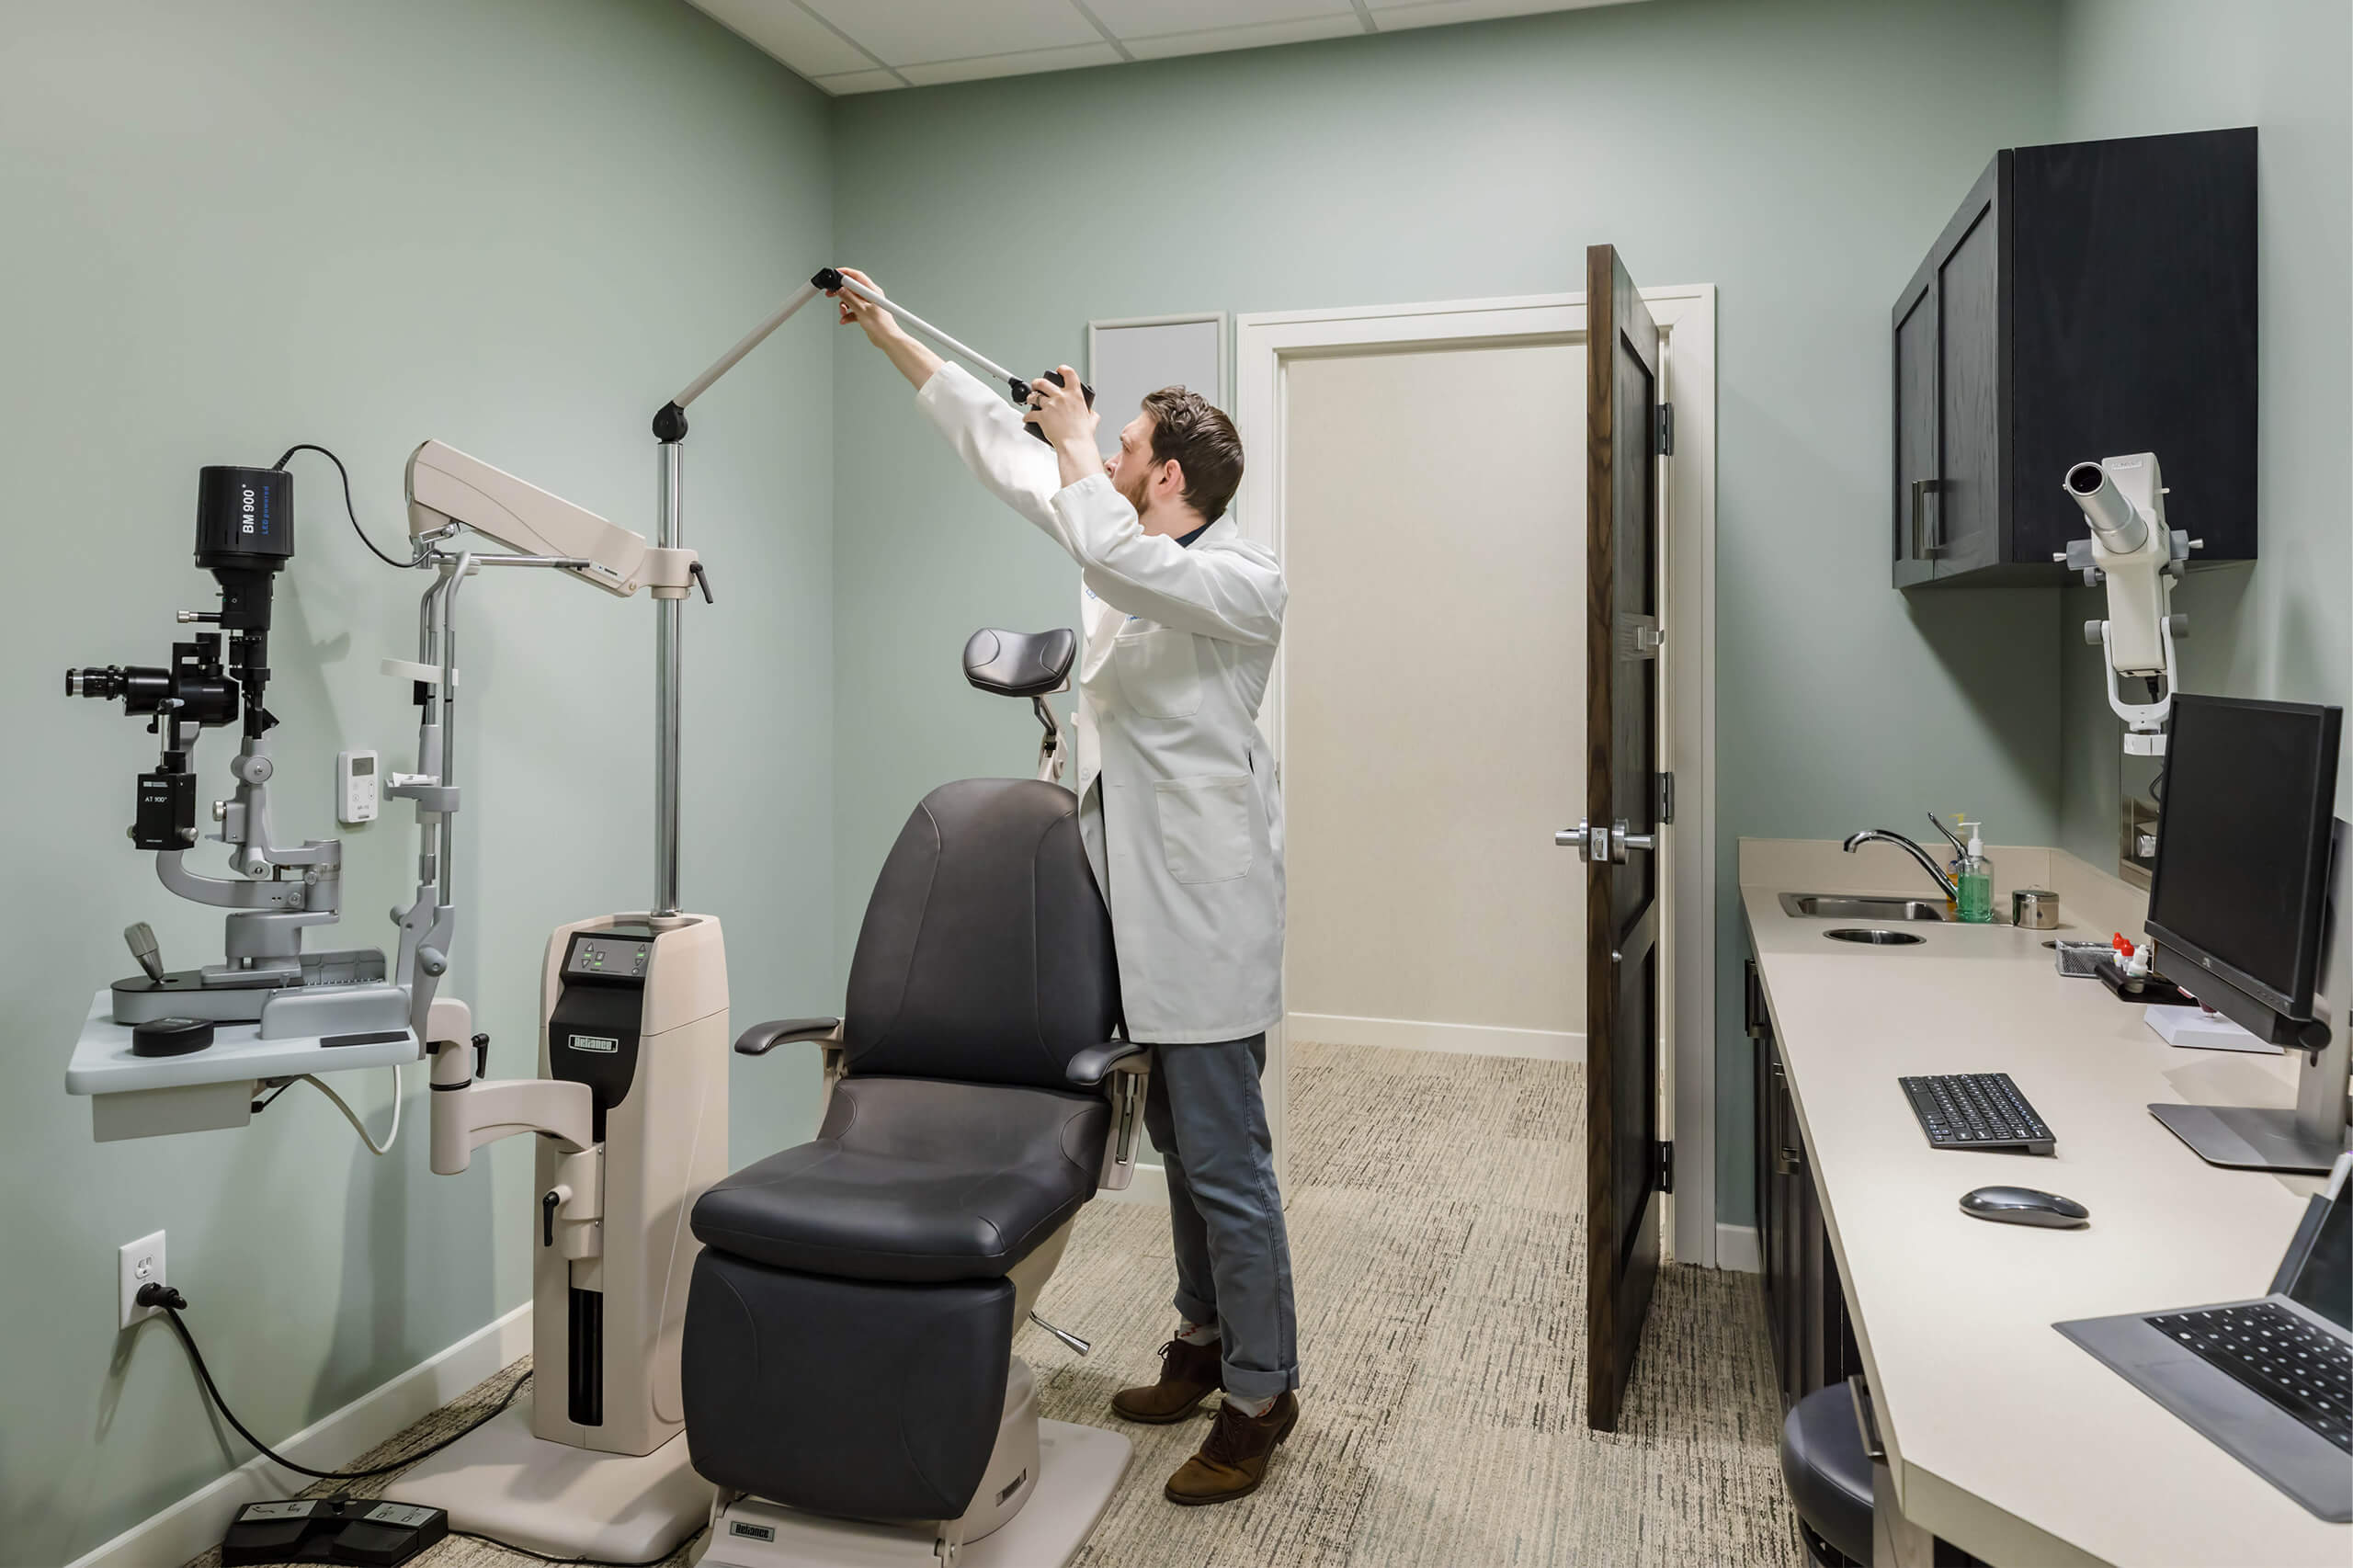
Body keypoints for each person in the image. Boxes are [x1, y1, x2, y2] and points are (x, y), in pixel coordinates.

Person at [831, 269, 1301, 1506]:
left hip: (1205, 918)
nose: (1099, 447)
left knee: (1228, 1161)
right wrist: (891, 331)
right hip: (1136, 908)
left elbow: (1092, 521)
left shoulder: (1239, 584)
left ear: (1162, 479)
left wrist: (1080, 448)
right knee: (1179, 1143)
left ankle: (1262, 1392)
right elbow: (1009, 459)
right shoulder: (1127, 541)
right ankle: (1200, 1341)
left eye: (1126, 443)